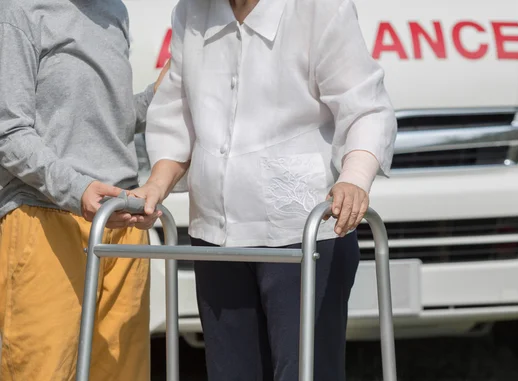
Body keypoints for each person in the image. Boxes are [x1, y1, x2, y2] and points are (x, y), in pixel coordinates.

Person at [133, 0, 396, 379]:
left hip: (301, 236)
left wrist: (354, 180)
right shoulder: (192, 10)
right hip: (215, 234)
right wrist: (155, 186)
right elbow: (177, 112)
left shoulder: (320, 9)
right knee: (230, 373)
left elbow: (366, 108)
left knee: (303, 371)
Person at [0, 0, 167, 379]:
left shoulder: (115, 11)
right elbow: (8, 131)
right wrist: (77, 189)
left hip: (121, 225)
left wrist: (164, 93)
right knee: (42, 370)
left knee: (124, 373)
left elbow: (114, 121)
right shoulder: (20, 10)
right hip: (46, 219)